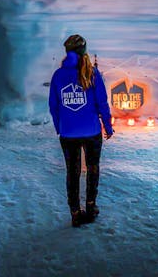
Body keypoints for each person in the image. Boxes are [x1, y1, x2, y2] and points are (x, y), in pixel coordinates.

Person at [48, 34, 114, 227]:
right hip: (92, 131)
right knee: (93, 168)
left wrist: (60, 127)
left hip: (68, 133)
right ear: (84, 51)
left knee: (73, 171)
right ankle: (91, 206)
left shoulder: (58, 75)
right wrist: (108, 126)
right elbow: (102, 103)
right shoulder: (92, 73)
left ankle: (75, 212)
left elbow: (54, 105)